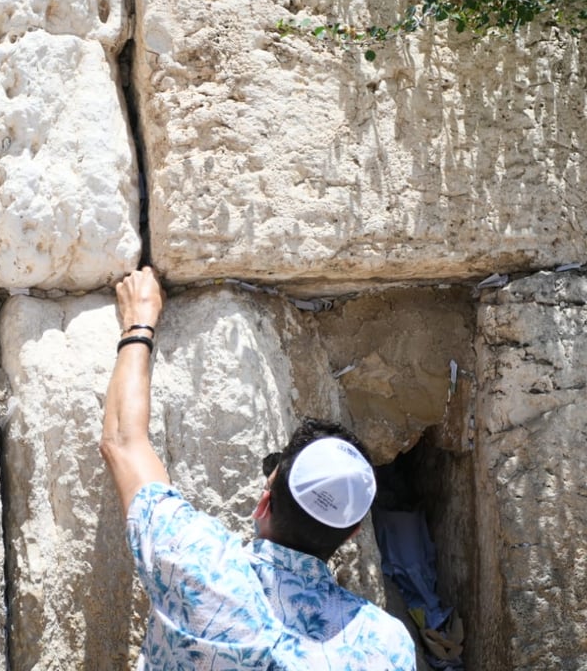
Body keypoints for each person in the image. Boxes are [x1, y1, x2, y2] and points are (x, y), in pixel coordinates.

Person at [100, 267, 417, 670]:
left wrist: (139, 321)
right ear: (353, 532)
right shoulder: (385, 646)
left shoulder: (196, 564)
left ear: (264, 503)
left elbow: (123, 442)